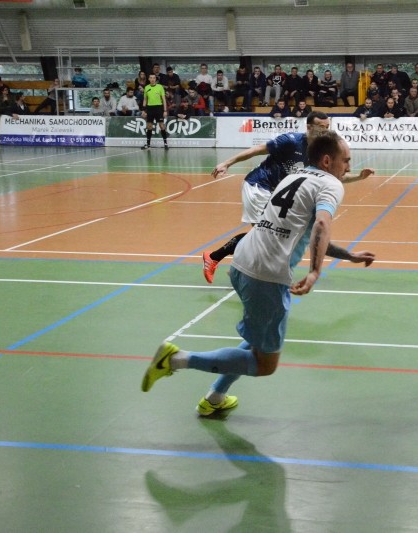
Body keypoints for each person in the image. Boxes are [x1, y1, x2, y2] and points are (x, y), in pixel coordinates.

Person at [142, 131, 377, 418]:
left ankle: (215, 397)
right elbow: (321, 226)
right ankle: (175, 360)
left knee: (258, 339)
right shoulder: (331, 184)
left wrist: (349, 256)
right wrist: (315, 271)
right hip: (266, 275)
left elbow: (308, 234)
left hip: (242, 263)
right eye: (346, 160)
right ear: (327, 161)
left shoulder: (293, 177)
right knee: (265, 364)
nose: (349, 167)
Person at [203, 111, 375, 284]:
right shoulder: (291, 141)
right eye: (321, 127)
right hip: (259, 186)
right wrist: (227, 163)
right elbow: (257, 150)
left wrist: (359, 177)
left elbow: (331, 176)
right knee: (265, 235)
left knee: (264, 236)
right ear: (309, 127)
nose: (325, 131)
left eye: (327, 127)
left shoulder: (317, 152)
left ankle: (230, 263)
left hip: (276, 192)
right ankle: (217, 259)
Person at [141, 73, 169, 150]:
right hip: (150, 108)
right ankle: (148, 144)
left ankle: (165, 143)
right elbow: (145, 99)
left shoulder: (160, 87)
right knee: (149, 126)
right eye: (151, 78)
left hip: (158, 108)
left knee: (161, 125)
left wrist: (165, 110)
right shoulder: (146, 87)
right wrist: (143, 110)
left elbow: (164, 99)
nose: (152, 79)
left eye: (154, 78)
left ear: (155, 79)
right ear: (149, 79)